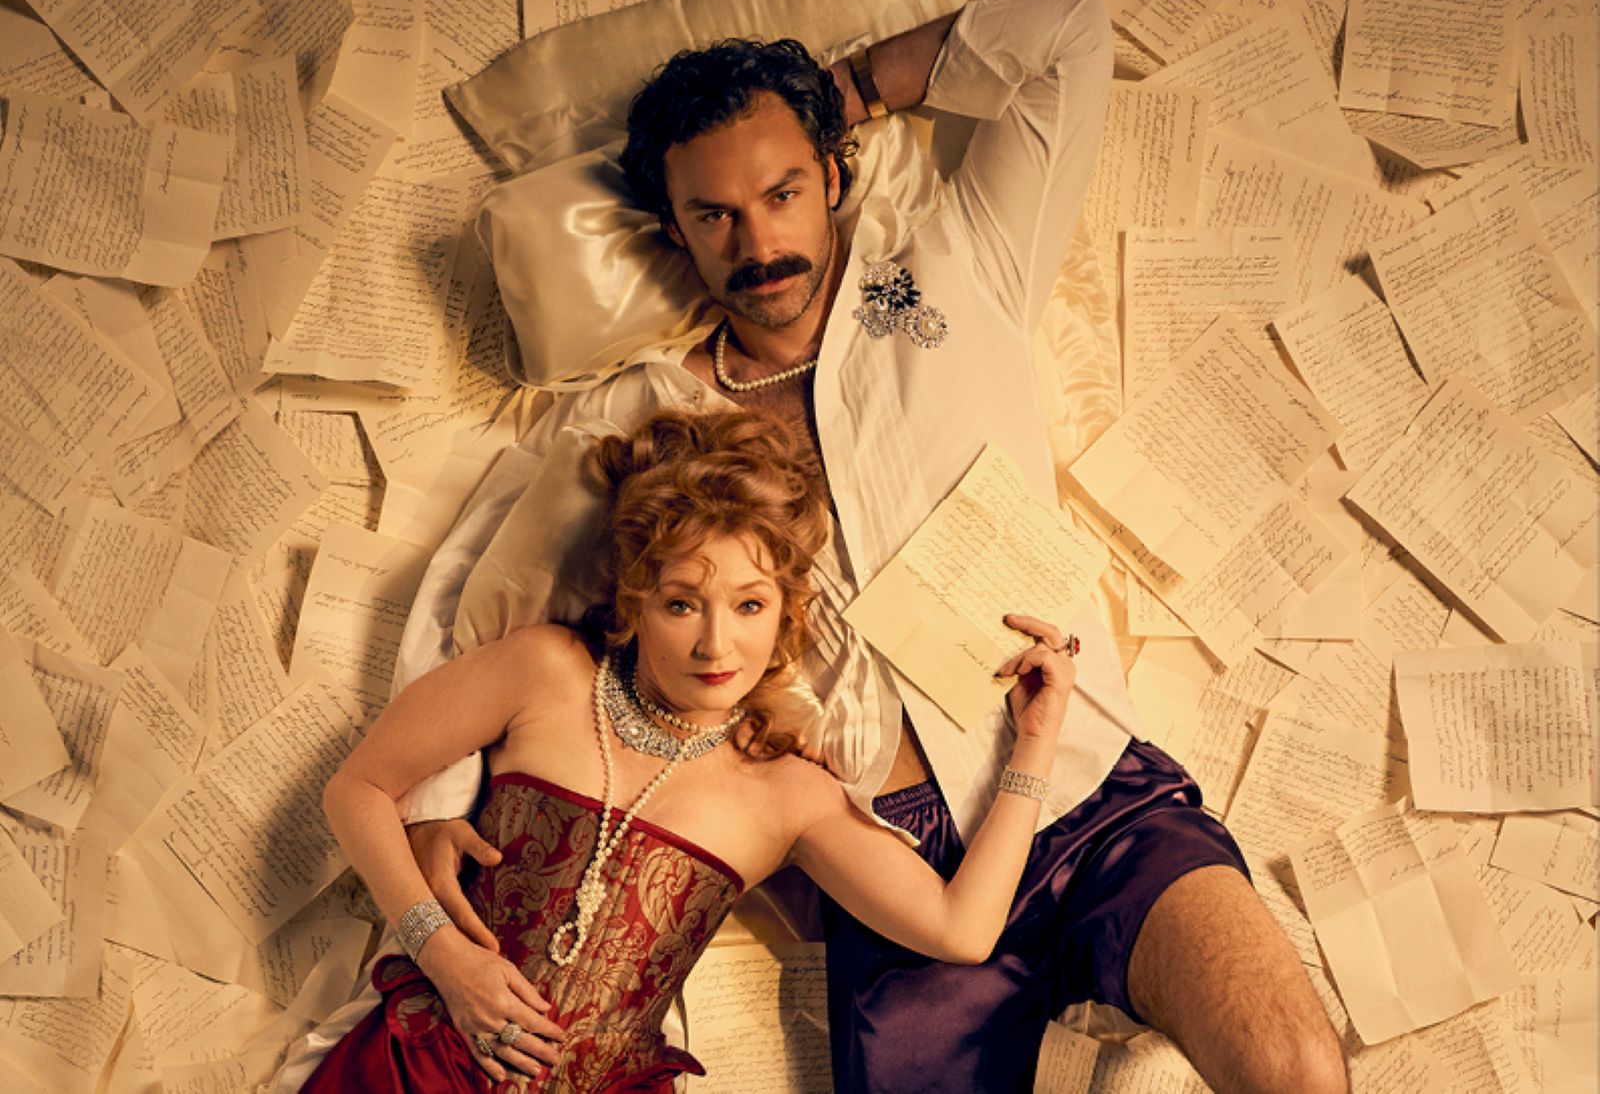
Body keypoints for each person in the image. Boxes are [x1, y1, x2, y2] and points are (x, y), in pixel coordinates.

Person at [290, 0, 1345, 1093]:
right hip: (885, 860)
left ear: (833, 175)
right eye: (714, 216)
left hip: (1085, 784)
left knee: (1294, 1062)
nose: (758, 243)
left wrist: (841, 90)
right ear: (672, 230)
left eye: (783, 191)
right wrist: (438, 811)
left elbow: (1068, 38)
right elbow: (485, 606)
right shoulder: (642, 416)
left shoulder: (961, 268)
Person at [302, 409, 1076, 1090]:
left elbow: (962, 930)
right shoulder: (545, 673)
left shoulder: (786, 795)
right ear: (635, 600)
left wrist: (1035, 745)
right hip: (414, 1069)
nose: (716, 644)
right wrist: (439, 951)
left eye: (749, 605)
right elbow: (357, 790)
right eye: (681, 604)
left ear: (786, 612)